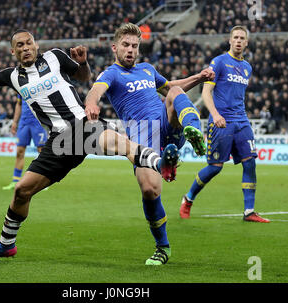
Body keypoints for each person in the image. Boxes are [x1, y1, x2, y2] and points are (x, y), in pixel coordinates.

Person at [0, 26, 180, 263]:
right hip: (59, 142)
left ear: (36, 45)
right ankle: (6, 245)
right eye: (19, 45)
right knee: (22, 191)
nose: (25, 48)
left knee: (123, 145)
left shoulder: (54, 57)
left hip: (84, 125)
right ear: (13, 52)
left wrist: (83, 62)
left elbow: (84, 77)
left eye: (28, 42)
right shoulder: (13, 76)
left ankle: (162, 164)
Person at [84, 23, 215, 265]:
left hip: (167, 123)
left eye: (135, 45)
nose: (131, 50)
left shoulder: (147, 69)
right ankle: (163, 247)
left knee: (174, 91)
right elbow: (95, 91)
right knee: (149, 190)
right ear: (115, 47)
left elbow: (171, 88)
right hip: (143, 138)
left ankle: (196, 133)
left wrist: (198, 77)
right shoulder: (111, 74)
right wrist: (91, 103)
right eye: (126, 45)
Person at [179, 25, 270, 223]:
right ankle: (188, 198)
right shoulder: (219, 62)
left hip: (242, 121)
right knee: (215, 167)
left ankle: (249, 211)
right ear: (230, 40)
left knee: (250, 163)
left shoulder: (247, 67)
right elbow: (206, 92)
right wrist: (215, 114)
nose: (238, 41)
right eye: (235, 37)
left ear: (246, 43)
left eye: (242, 38)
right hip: (221, 122)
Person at [2, 95, 48, 190]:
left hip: (38, 123)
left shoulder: (39, 85)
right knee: (19, 152)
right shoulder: (21, 87)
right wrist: (15, 122)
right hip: (24, 123)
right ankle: (15, 181)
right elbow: (18, 104)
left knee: (41, 152)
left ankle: (42, 182)